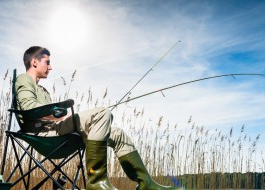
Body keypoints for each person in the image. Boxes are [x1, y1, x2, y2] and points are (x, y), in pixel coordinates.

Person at [15, 46, 172, 190]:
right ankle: (97, 182)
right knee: (103, 113)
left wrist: (63, 115)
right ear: (34, 62)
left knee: (117, 134)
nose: (51, 67)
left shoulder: (43, 90)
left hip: (57, 130)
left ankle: (146, 183)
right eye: (47, 62)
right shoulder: (24, 79)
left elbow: (49, 115)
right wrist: (58, 112)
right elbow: (29, 108)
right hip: (44, 135)